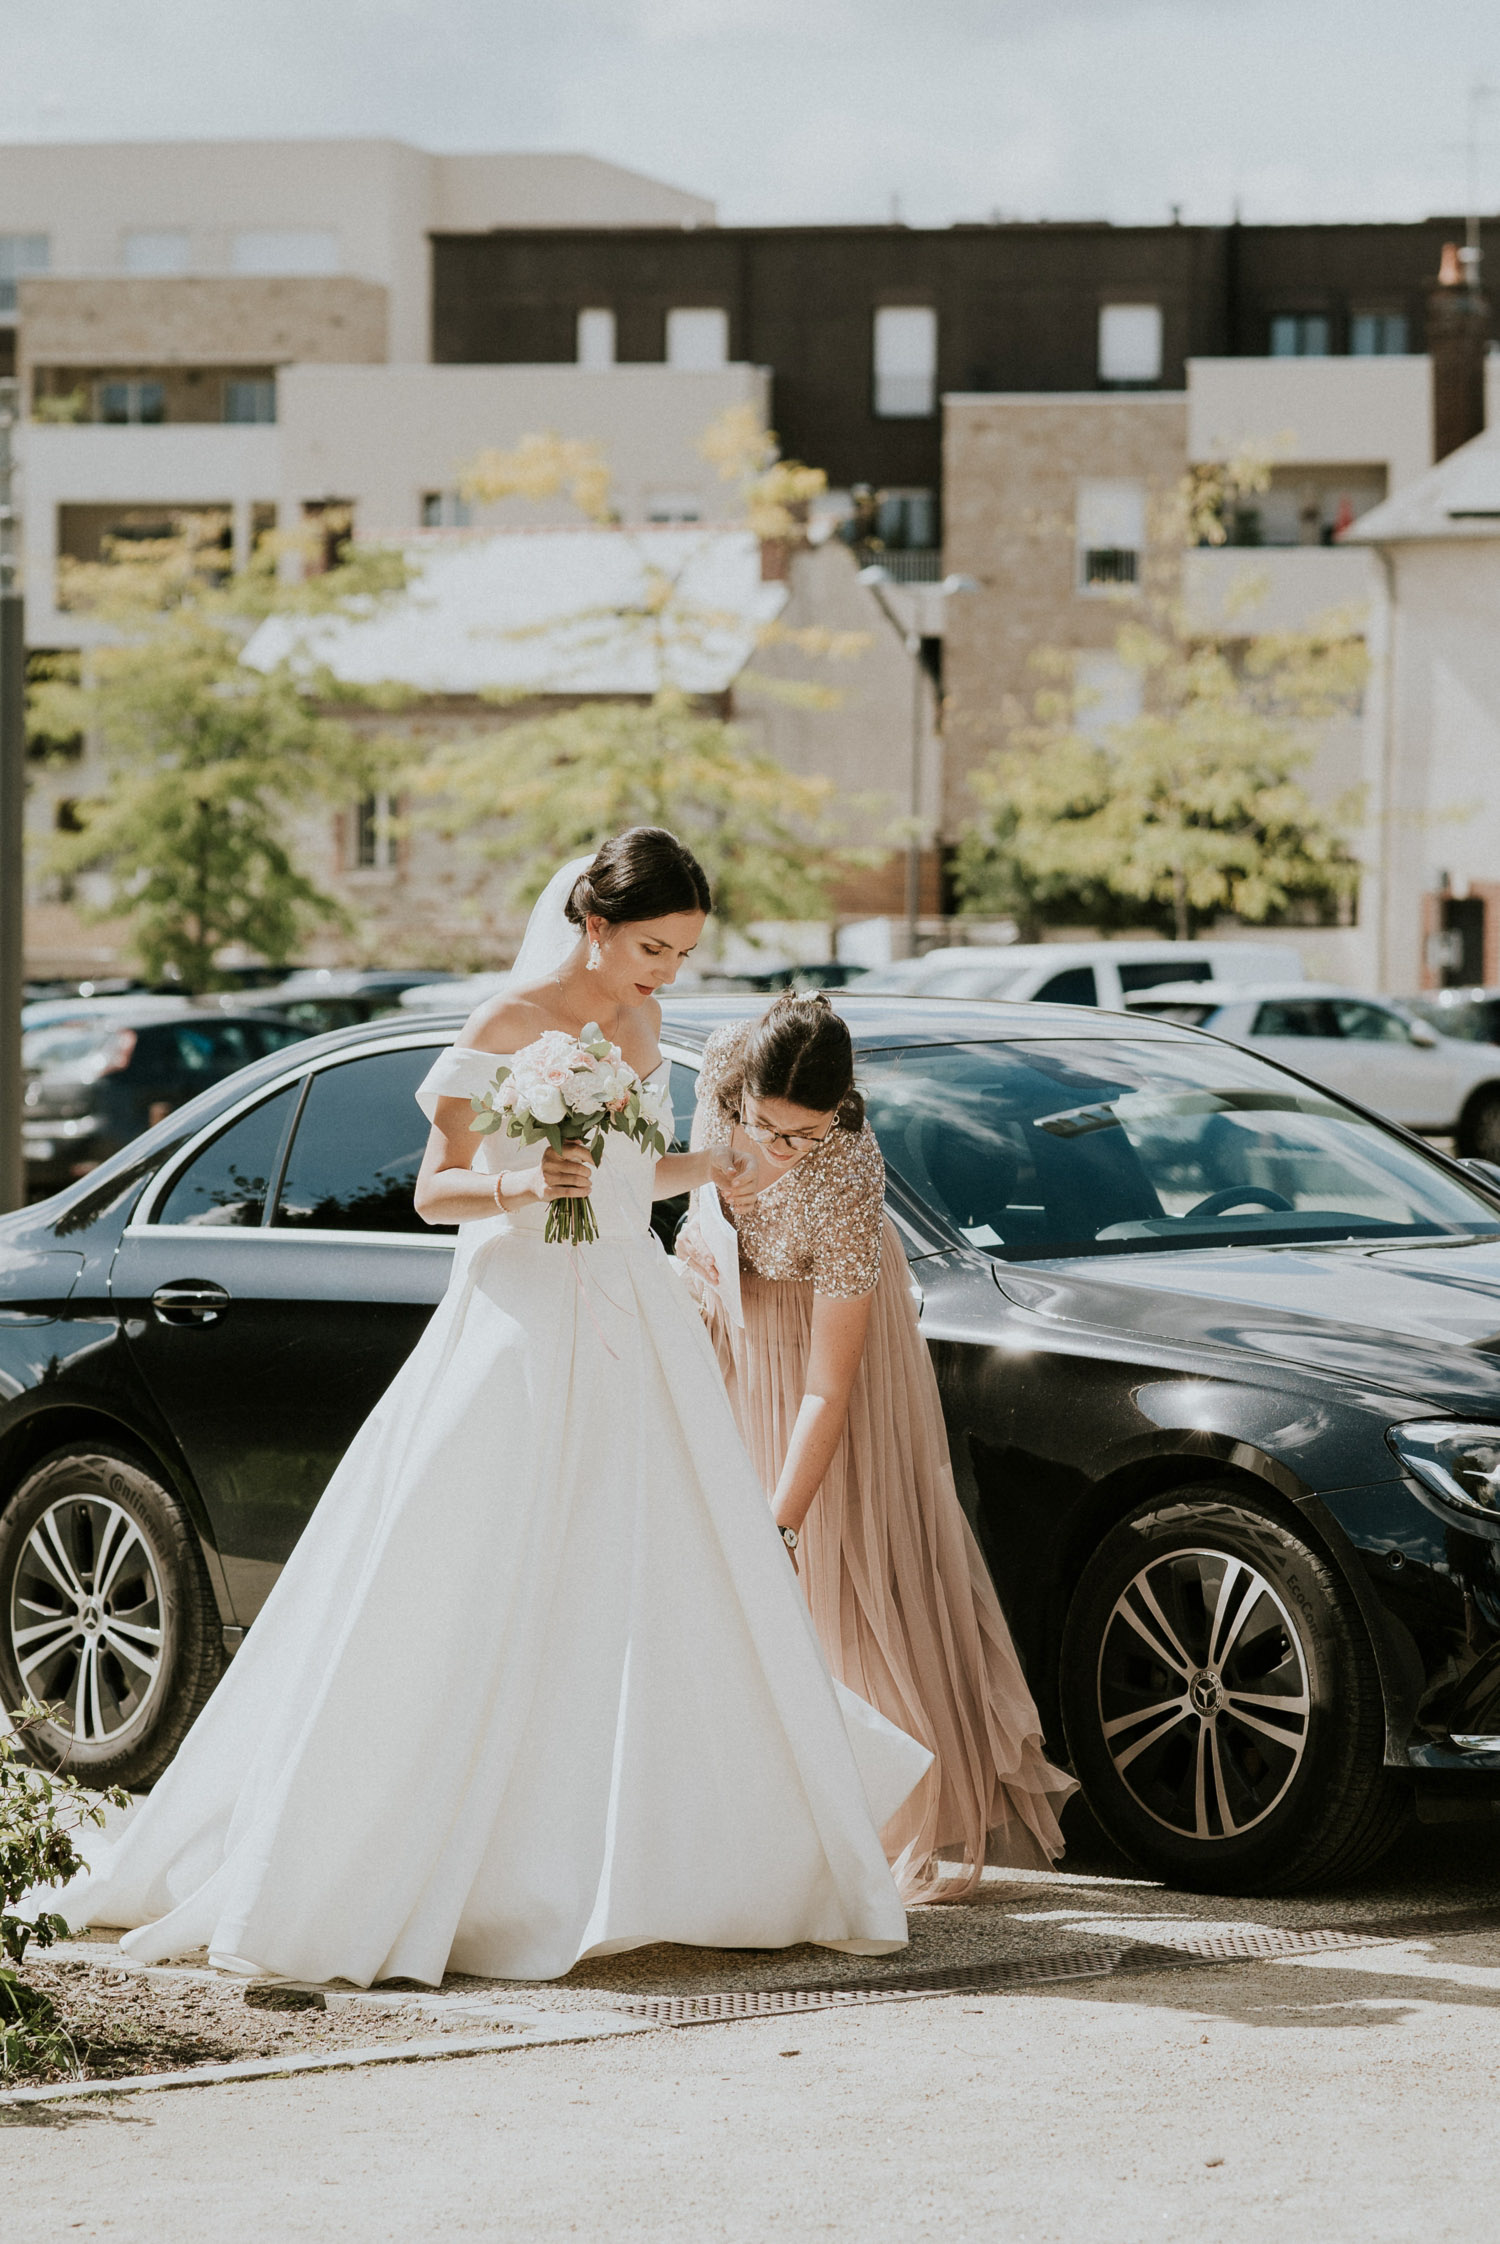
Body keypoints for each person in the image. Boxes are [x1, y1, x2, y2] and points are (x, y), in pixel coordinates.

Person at [56, 832, 929, 1986]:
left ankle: (670, 1859)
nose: (666, 971)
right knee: (473, 1569)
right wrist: (526, 1182)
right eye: (654, 947)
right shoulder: (508, 1021)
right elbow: (435, 1189)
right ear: (596, 925)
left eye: (684, 952)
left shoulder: (646, 1027)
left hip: (629, 1315)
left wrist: (708, 1169)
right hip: (523, 1315)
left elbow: (631, 1178)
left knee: (658, 1577)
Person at [678, 992, 1075, 1901]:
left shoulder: (848, 1178)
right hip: (727, 1327)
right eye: (770, 1129)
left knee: (836, 1580)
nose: (781, 1153)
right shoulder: (723, 1063)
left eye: (805, 1136)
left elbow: (829, 1386)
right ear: (741, 1091)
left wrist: (778, 1525)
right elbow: (700, 1199)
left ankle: (872, 1818)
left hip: (825, 1354)